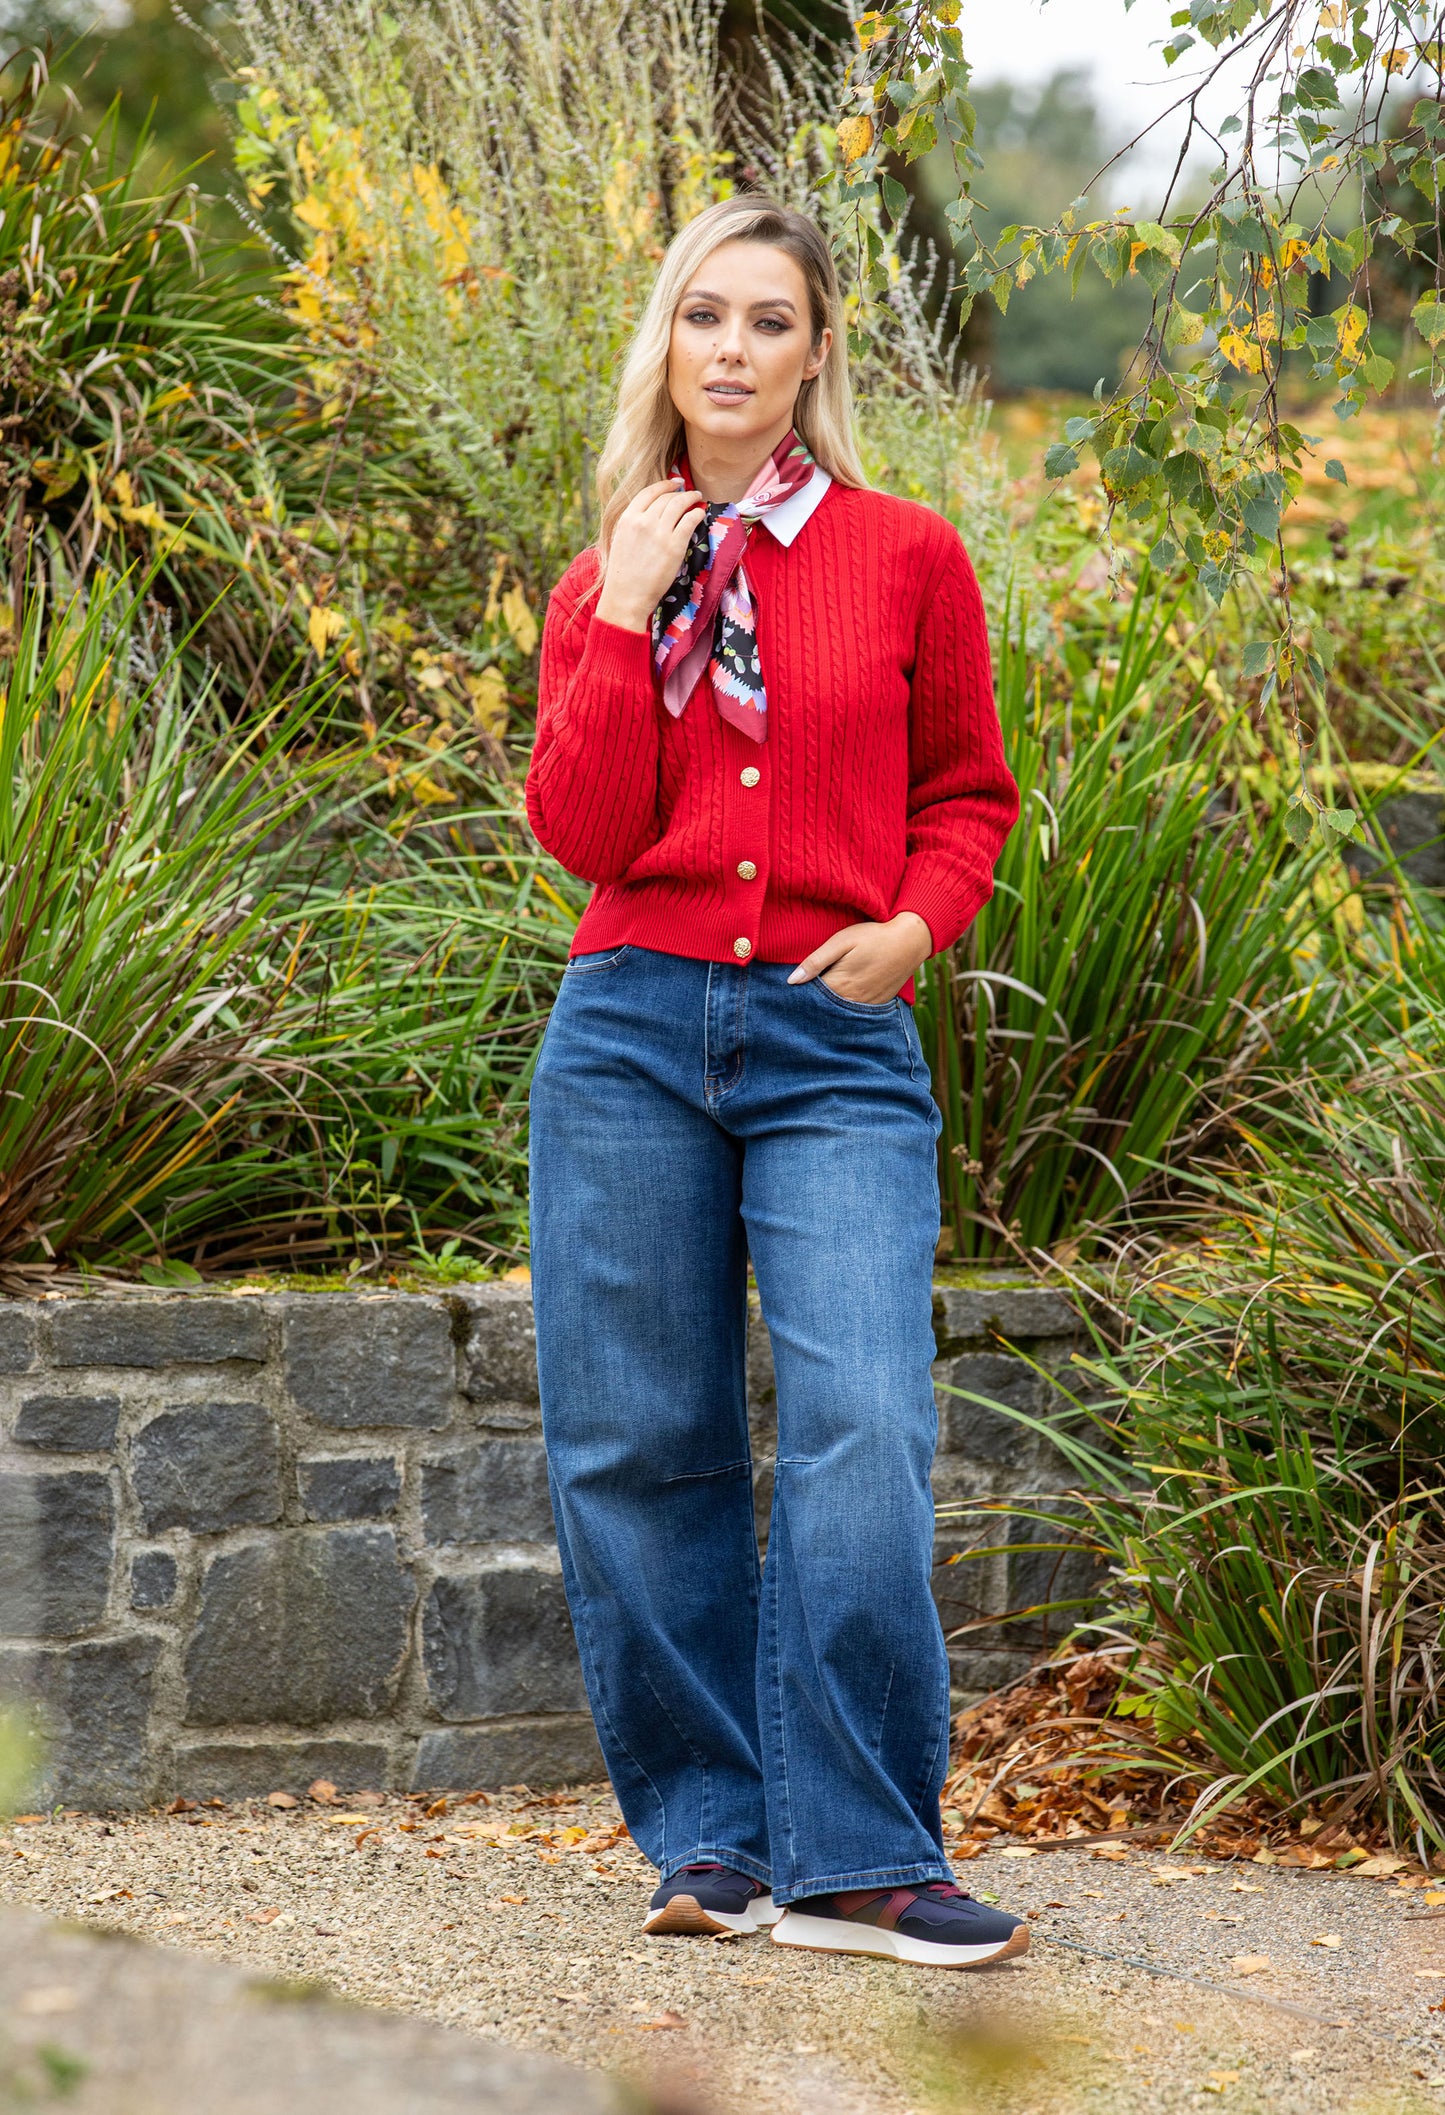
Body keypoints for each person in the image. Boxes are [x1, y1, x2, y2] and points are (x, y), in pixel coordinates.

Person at [524, 195, 1023, 1971]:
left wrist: (914, 926)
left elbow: (966, 789)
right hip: (630, 1032)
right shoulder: (606, 571)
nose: (730, 349)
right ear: (666, 343)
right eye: (702, 316)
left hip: (832, 1038)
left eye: (768, 321)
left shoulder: (904, 555)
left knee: (863, 1427)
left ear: (817, 354)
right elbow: (582, 834)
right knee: (637, 1445)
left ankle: (863, 1856)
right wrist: (621, 615)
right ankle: (714, 1836)